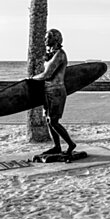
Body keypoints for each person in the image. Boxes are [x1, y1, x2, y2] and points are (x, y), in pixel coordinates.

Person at [30, 28, 76, 156]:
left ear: (55, 39)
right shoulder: (52, 54)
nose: (45, 40)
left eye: (47, 37)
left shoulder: (60, 54)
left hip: (56, 91)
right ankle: (57, 147)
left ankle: (71, 144)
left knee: (54, 121)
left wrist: (31, 79)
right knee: (49, 120)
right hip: (48, 90)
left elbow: (47, 74)